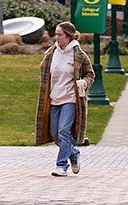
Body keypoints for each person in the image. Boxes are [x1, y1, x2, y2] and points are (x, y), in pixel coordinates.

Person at [34, 22, 95, 177]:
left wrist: (84, 82)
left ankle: (61, 166)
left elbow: (90, 74)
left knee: (63, 131)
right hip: (54, 99)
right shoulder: (51, 53)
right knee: (55, 134)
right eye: (56, 34)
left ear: (68, 36)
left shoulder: (79, 55)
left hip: (70, 99)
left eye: (60, 34)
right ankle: (74, 153)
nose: (57, 37)